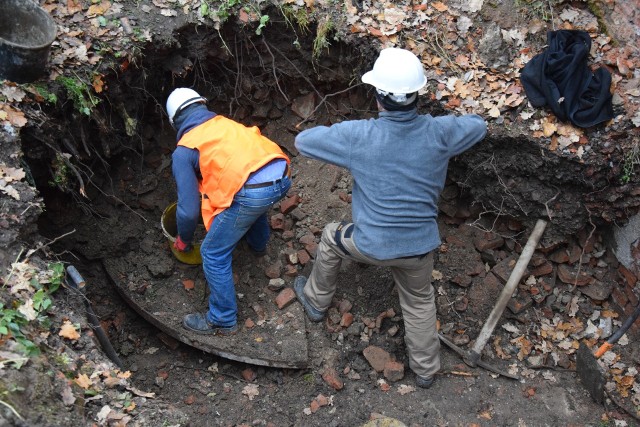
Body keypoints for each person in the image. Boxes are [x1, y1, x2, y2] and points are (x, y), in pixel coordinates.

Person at [293, 48, 487, 388]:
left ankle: (314, 300)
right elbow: (478, 126)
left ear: (377, 96)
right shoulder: (439, 133)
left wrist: (349, 135)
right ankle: (426, 371)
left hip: (370, 245)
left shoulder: (359, 137)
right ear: (417, 96)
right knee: (419, 301)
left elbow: (303, 141)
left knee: (330, 236)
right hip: (418, 250)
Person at [166, 87, 291, 336]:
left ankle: (222, 319)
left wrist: (183, 240)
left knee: (212, 253)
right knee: (252, 203)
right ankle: (258, 246)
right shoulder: (223, 124)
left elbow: (188, 212)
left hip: (252, 191)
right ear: (201, 105)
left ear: (175, 121)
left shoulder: (184, 150)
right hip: (282, 172)